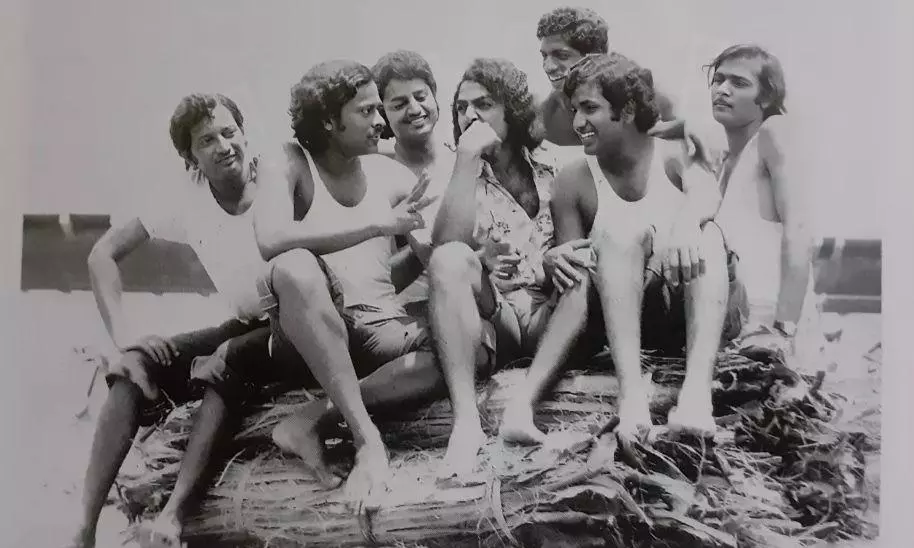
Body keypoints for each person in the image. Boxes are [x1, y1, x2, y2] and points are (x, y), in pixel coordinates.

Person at [69, 94, 297, 548]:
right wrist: (125, 339)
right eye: (206, 140)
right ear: (190, 158)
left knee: (227, 360)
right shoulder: (185, 195)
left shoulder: (278, 176)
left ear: (245, 133)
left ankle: (172, 517)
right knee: (133, 368)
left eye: (230, 132)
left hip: (298, 327)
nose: (224, 146)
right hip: (245, 324)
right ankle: (84, 529)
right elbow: (102, 255)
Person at [500, 53, 748, 448]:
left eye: (590, 109)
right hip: (629, 313)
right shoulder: (574, 180)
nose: (578, 122)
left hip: (696, 300)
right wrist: (555, 258)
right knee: (616, 236)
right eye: (574, 110)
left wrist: (686, 223)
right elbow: (574, 274)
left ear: (628, 110)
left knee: (709, 234)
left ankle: (696, 397)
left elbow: (705, 194)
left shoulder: (672, 152)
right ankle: (632, 400)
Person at [253, 60, 443, 502]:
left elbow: (431, 251)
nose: (381, 121)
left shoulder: (392, 175)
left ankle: (311, 418)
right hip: (307, 332)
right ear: (327, 120)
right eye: (366, 111)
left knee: (455, 346)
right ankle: (366, 439)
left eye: (379, 109)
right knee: (293, 266)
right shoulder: (288, 161)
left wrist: (469, 253)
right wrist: (378, 225)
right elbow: (271, 239)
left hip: (377, 328)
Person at [427, 57, 559, 480]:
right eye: (461, 108)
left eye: (483, 104)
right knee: (450, 259)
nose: (469, 115)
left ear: (512, 111)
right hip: (500, 318)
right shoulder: (455, 174)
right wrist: (467, 159)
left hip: (554, 311)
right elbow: (445, 246)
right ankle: (466, 424)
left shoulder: (555, 168)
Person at [702, 44, 812, 353]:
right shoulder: (722, 163)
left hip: (769, 320)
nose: (722, 89)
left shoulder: (772, 133)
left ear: (766, 98)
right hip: (729, 321)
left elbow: (799, 228)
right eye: (718, 79)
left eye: (738, 83)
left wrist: (784, 329)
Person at [535, 6, 685, 148]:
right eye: (544, 56)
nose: (548, 67)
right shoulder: (548, 116)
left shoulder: (648, 94)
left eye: (562, 55)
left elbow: (688, 132)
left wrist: (655, 131)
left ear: (596, 56)